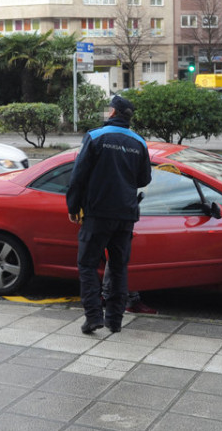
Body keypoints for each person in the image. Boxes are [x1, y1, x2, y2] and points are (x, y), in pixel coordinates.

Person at [66, 95, 151, 334]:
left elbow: (78, 176)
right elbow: (144, 179)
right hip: (126, 214)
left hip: (97, 213)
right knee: (118, 266)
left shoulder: (95, 137)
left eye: (108, 109)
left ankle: (93, 317)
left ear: (112, 112)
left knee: (87, 264)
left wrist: (73, 207)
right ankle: (115, 321)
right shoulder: (139, 142)